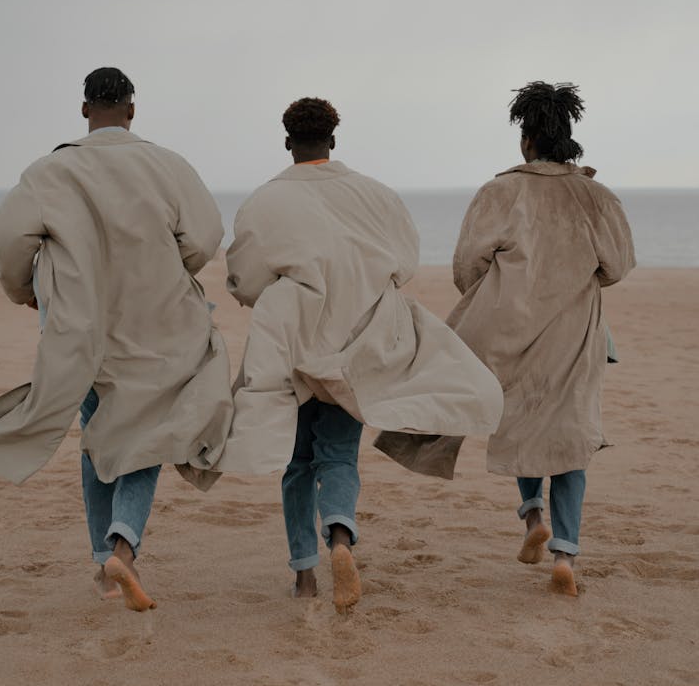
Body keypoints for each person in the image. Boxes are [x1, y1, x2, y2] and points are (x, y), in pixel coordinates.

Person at [215, 97, 503, 612]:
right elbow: (404, 261)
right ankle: (342, 539)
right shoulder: (376, 195)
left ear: (287, 142)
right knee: (338, 454)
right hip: (359, 344)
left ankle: (304, 574)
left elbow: (244, 276)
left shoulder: (263, 201)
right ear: (334, 139)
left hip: (295, 344)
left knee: (297, 461)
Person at [0, 68, 233, 610]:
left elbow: (6, 238)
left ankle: (103, 558)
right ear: (132, 110)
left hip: (79, 330)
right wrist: (170, 268)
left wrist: (26, 292)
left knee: (97, 435)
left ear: (85, 110)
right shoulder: (168, 165)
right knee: (147, 431)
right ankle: (124, 545)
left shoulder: (50, 171)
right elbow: (205, 236)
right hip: (154, 324)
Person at [448, 82, 635, 596]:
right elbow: (617, 266)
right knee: (571, 437)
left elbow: (468, 267)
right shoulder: (595, 194)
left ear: (526, 141)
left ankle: (532, 516)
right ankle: (566, 556)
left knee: (519, 422)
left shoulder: (499, 191)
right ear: (567, 137)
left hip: (512, 328)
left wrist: (499, 296)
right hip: (575, 333)